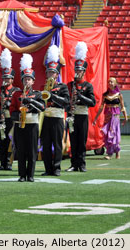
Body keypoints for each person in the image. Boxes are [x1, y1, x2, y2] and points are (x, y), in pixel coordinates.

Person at [9, 54, 45, 182]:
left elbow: (42, 107)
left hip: (32, 124)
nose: (27, 81)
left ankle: (31, 175)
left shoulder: (37, 94)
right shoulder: (17, 94)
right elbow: (11, 110)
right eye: (25, 79)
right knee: (21, 150)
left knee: (32, 150)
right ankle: (22, 175)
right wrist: (18, 115)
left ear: (33, 81)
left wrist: (30, 102)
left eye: (29, 79)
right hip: (20, 124)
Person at [65, 42, 96, 172]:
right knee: (73, 140)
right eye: (76, 70)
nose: (77, 72)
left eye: (79, 70)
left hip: (82, 115)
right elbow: (66, 101)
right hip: (72, 116)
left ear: (83, 71)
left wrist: (80, 97)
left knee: (81, 141)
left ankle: (81, 164)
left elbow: (92, 102)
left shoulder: (88, 86)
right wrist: (68, 107)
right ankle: (73, 164)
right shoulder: (70, 84)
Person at [41, 45, 70, 176]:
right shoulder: (43, 87)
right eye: (48, 72)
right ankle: (47, 168)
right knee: (46, 144)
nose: (50, 74)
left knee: (57, 144)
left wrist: (53, 96)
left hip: (58, 117)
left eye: (53, 72)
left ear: (57, 74)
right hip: (46, 118)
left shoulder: (63, 87)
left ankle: (57, 168)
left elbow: (66, 102)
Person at [0, 48, 19, 171]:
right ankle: (2, 162)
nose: (6, 80)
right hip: (0, 118)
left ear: (12, 79)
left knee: (10, 141)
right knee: (1, 141)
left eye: (8, 78)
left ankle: (9, 162)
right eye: (4, 78)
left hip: (11, 119)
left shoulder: (16, 91)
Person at [92, 77, 128, 159]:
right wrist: (95, 118)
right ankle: (110, 153)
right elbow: (101, 107)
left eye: (112, 82)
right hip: (107, 116)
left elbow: (122, 107)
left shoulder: (119, 95)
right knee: (108, 134)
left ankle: (116, 152)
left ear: (115, 83)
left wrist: (125, 117)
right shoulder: (105, 95)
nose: (110, 83)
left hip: (115, 116)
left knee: (114, 133)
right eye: (109, 82)